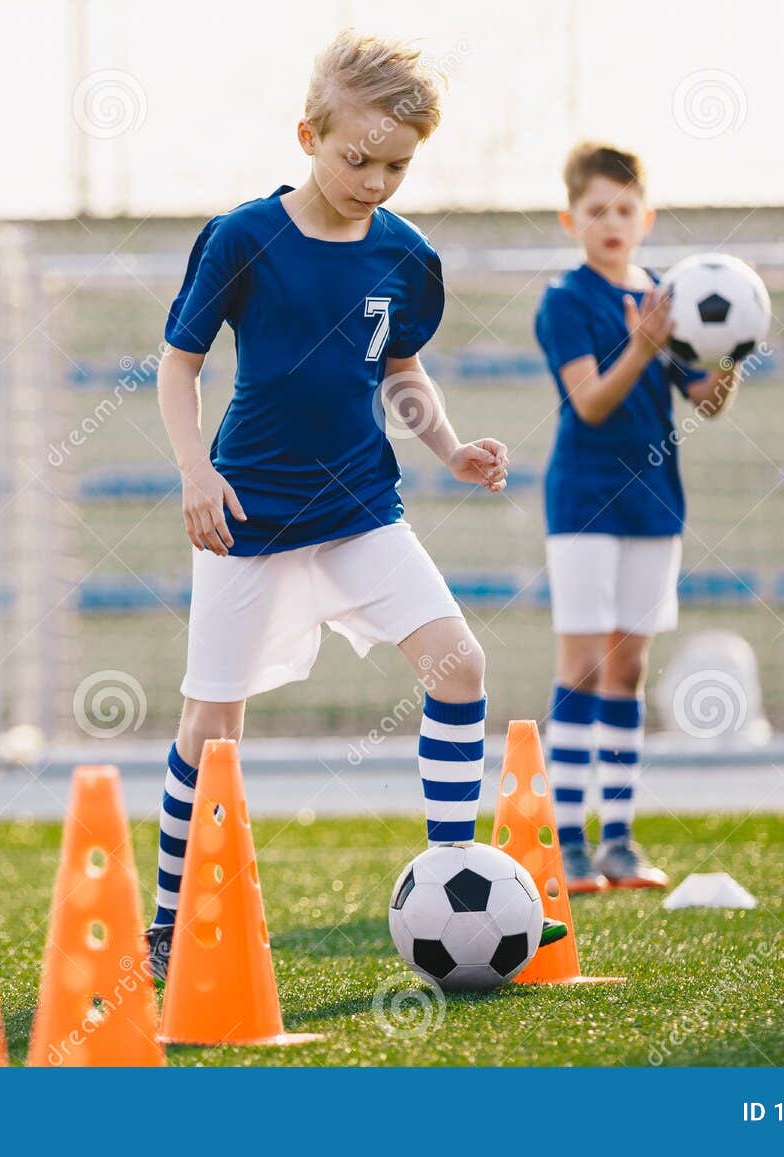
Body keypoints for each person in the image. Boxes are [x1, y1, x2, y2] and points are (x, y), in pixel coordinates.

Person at [145, 30, 551, 982]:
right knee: (212, 733)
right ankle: (171, 918)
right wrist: (195, 470)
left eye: (396, 166)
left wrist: (449, 446)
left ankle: (455, 869)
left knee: (459, 664)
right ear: (308, 136)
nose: (373, 180)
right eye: (355, 158)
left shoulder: (405, 257)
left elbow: (400, 370)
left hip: (364, 507)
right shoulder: (245, 236)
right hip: (247, 514)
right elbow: (179, 365)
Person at [533, 141, 742, 892]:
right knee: (583, 665)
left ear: (645, 216)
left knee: (628, 667)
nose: (612, 221)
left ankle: (618, 837)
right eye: (597, 210)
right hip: (585, 502)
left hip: (655, 505)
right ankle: (567, 842)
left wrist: (730, 352)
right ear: (572, 219)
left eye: (625, 208)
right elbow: (589, 401)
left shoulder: (669, 296)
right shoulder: (565, 301)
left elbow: (707, 402)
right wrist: (642, 341)